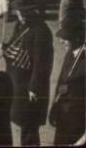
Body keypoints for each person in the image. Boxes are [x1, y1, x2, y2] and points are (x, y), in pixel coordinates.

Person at [0, 0, 54, 146]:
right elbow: (13, 45)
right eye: (19, 12)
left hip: (31, 87)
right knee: (23, 122)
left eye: (24, 12)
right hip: (17, 84)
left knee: (29, 125)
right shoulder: (20, 25)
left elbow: (42, 63)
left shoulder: (41, 31)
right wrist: (5, 48)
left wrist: (34, 87)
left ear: (32, 11)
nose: (21, 16)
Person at [49, 8, 86, 145]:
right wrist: (53, 108)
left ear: (76, 38)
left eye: (65, 38)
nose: (61, 41)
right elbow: (60, 84)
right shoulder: (69, 54)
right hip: (63, 119)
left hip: (78, 123)